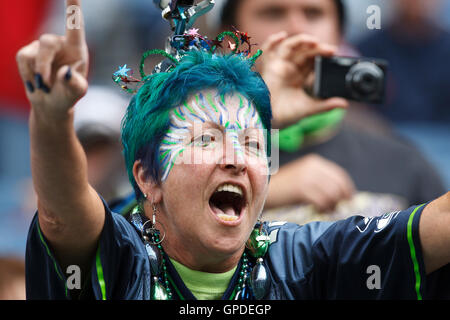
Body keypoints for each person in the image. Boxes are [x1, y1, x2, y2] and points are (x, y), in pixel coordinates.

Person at [18, 0, 450, 300]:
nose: (235, 159)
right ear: (147, 177)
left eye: (251, 145)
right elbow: (64, 211)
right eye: (205, 140)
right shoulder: (120, 260)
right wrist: (53, 116)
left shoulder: (307, 257)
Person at [218, 0, 446, 222]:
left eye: (314, 13)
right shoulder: (195, 145)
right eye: (273, 13)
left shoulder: (402, 160)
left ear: (339, 36)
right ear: (230, 39)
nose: (297, 28)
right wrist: (262, 188)